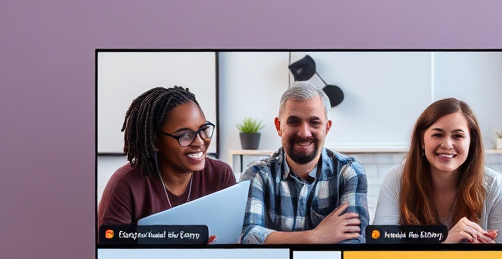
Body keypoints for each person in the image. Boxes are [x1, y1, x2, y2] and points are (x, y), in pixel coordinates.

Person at [240, 82, 368, 245]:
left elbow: (353, 242)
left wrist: (273, 239)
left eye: (314, 122)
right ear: (279, 126)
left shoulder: (349, 172)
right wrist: (315, 237)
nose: (304, 133)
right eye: (293, 122)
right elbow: (247, 235)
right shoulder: (257, 174)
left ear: (327, 128)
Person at [98, 86, 235, 228]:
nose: (200, 141)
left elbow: (233, 233)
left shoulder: (220, 175)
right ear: (155, 140)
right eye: (185, 135)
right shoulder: (125, 185)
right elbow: (112, 241)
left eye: (203, 130)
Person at [373, 98, 502, 244]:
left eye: (458, 136)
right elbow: (379, 251)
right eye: (437, 135)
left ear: (471, 143)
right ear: (422, 141)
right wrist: (447, 242)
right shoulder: (396, 180)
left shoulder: (494, 184)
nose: (447, 145)